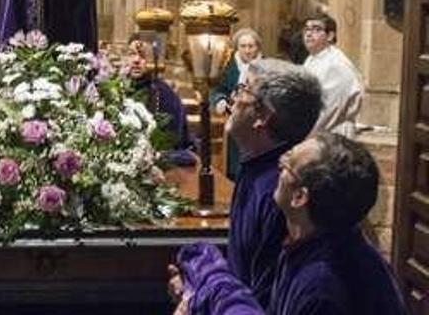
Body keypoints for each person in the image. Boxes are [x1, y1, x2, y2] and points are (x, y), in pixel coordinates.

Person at [171, 133, 407, 315]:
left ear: (299, 197)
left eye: (287, 164)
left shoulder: (323, 285)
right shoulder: (312, 242)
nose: (278, 164)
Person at [213, 59, 323, 307]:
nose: (234, 96)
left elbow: (264, 295)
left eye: (243, 89)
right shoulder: (256, 165)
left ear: (262, 116)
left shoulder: (282, 190)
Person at [125, 36, 197, 167]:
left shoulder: (165, 94)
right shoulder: (116, 88)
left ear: (153, 60)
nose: (136, 60)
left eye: (142, 56)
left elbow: (176, 144)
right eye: (131, 54)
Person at [210, 28, 264, 180]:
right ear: (237, 47)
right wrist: (220, 100)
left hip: (256, 124)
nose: (247, 50)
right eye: (243, 46)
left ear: (257, 48)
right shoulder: (227, 65)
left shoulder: (266, 66)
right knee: (233, 165)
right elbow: (217, 88)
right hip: (231, 121)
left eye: (251, 46)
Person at [302, 13, 363, 137]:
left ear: (330, 36)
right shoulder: (311, 59)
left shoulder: (336, 65)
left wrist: (305, 135)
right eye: (307, 29)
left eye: (316, 29)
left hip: (332, 132)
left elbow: (330, 110)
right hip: (316, 130)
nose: (309, 34)